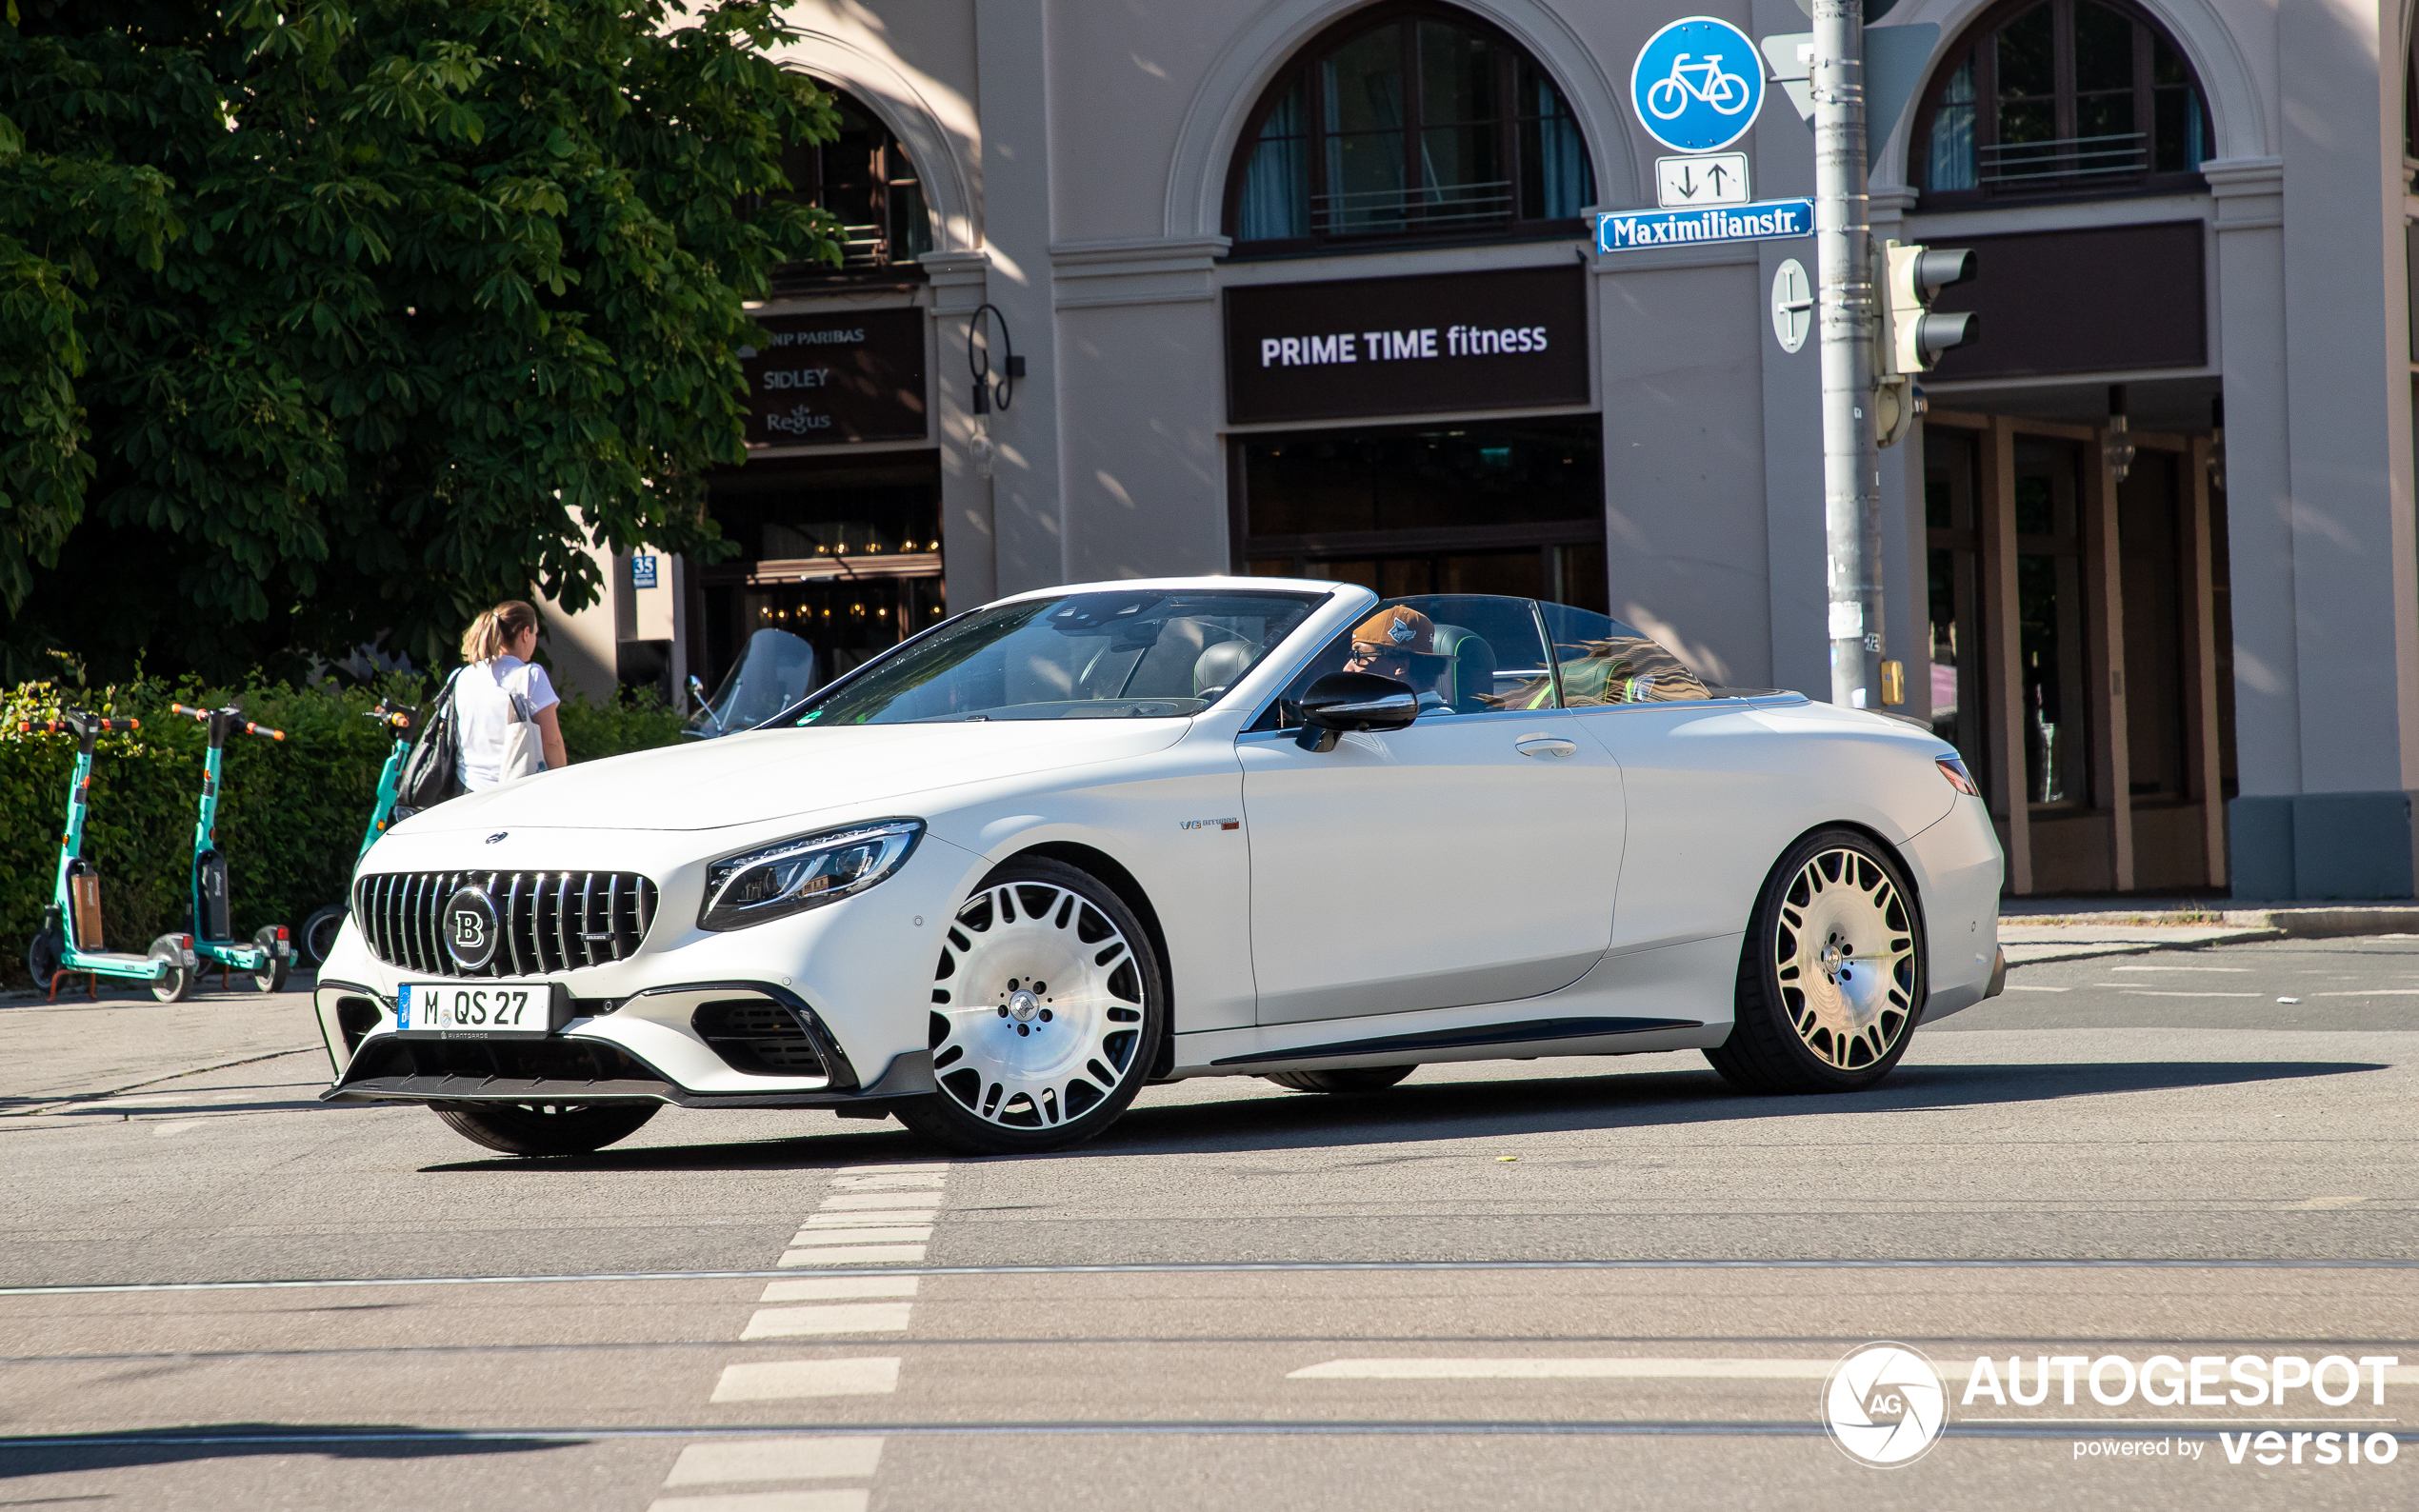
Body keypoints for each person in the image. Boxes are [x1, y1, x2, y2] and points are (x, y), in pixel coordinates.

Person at [453, 600, 569, 790]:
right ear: (525, 634)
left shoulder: (463, 676)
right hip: (514, 792)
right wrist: (563, 785)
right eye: (535, 633)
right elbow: (552, 742)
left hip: (467, 788)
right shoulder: (530, 676)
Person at [1340, 605, 1457, 712]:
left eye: (1357, 656)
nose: (1347, 668)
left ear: (1400, 665)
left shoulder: (1424, 722)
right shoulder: (1435, 718)